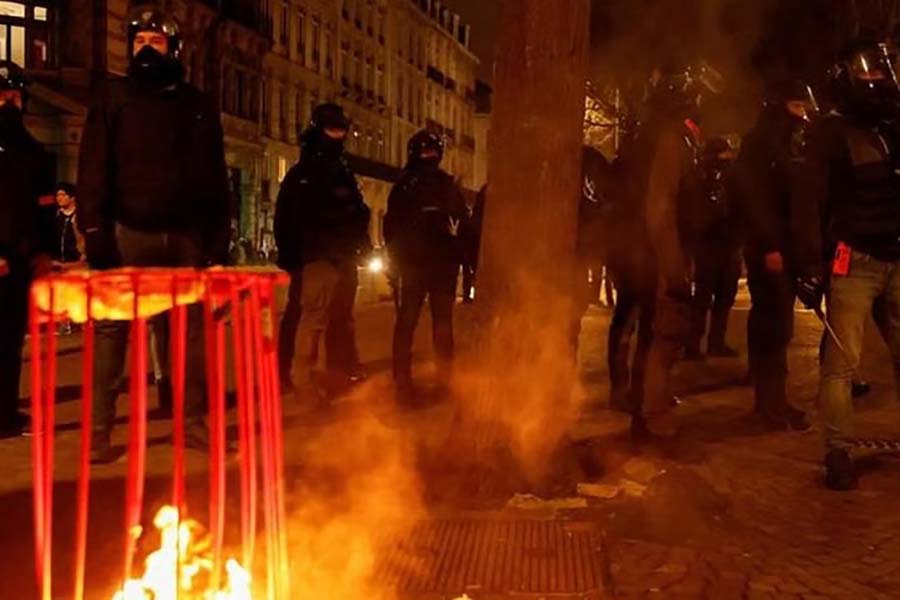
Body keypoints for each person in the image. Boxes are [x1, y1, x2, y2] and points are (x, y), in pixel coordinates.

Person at [77, 7, 230, 462]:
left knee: (188, 333)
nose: (145, 48)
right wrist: (94, 230)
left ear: (174, 50)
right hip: (127, 231)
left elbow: (214, 177)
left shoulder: (197, 105)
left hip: (184, 236)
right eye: (139, 40)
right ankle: (100, 432)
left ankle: (190, 423)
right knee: (111, 332)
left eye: (155, 42)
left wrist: (217, 241)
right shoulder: (113, 98)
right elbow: (93, 168)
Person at [793, 39, 900, 490]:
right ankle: (838, 450)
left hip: (896, 256)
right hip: (852, 258)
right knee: (841, 364)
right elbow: (807, 200)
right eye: (867, 70)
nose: (875, 77)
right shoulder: (831, 132)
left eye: (880, 69)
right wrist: (809, 264)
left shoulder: (889, 125)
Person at [625, 65, 708, 437]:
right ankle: (654, 417)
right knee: (664, 332)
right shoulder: (670, 139)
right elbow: (660, 206)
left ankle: (644, 410)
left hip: (648, 249)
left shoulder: (650, 134)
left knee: (651, 332)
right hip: (662, 253)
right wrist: (674, 267)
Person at [732, 79, 816, 431]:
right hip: (770, 250)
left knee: (781, 326)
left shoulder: (788, 144)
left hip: (786, 248)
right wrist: (769, 246)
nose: (803, 115)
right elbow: (755, 200)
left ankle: (776, 400)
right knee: (772, 324)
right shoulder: (760, 144)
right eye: (797, 107)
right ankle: (767, 405)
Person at [274, 103, 370, 404]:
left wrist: (360, 240)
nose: (338, 135)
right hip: (318, 257)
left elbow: (356, 212)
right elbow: (289, 219)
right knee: (312, 319)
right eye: (332, 129)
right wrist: (294, 257)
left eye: (341, 129)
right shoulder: (307, 173)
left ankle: (335, 376)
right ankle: (301, 380)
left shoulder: (338, 171)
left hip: (340, 257)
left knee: (338, 319)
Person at [384, 130, 469, 401]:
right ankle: (441, 380)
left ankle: (404, 381)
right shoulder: (445, 186)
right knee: (439, 325)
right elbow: (462, 223)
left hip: (417, 266)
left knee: (409, 324)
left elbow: (391, 228)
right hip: (436, 265)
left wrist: (395, 260)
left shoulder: (405, 186)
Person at [0, 61, 53, 438]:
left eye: (16, 95)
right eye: (3, 95)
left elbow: (44, 206)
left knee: (10, 341)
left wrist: (43, 252)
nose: (9, 102)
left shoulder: (34, 152)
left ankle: (5, 414)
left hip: (19, 261)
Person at [685, 137, 741, 359]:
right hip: (711, 244)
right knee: (704, 296)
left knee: (723, 296)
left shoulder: (728, 176)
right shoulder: (704, 177)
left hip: (725, 243)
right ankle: (695, 344)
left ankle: (713, 342)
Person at [53, 183, 85, 266]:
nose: (59, 198)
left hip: (75, 263)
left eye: (63, 195)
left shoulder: (79, 215)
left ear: (72, 197)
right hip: (57, 262)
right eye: (57, 195)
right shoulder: (57, 215)